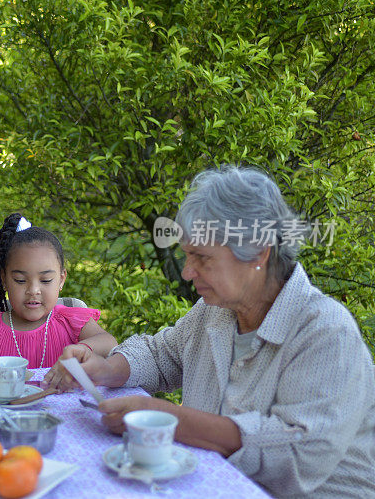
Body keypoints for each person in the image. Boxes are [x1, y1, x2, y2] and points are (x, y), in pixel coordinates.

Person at [46, 166, 375, 498]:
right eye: (188, 256)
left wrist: (167, 419)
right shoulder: (216, 310)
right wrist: (106, 369)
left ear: (259, 253)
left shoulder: (326, 332)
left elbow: (296, 453)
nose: (188, 272)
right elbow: (162, 356)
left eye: (202, 258)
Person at [0, 213, 117, 372]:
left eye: (46, 280)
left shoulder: (71, 322)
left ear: (61, 279)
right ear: (4, 280)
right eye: (20, 280)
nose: (33, 291)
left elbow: (109, 342)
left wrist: (84, 349)